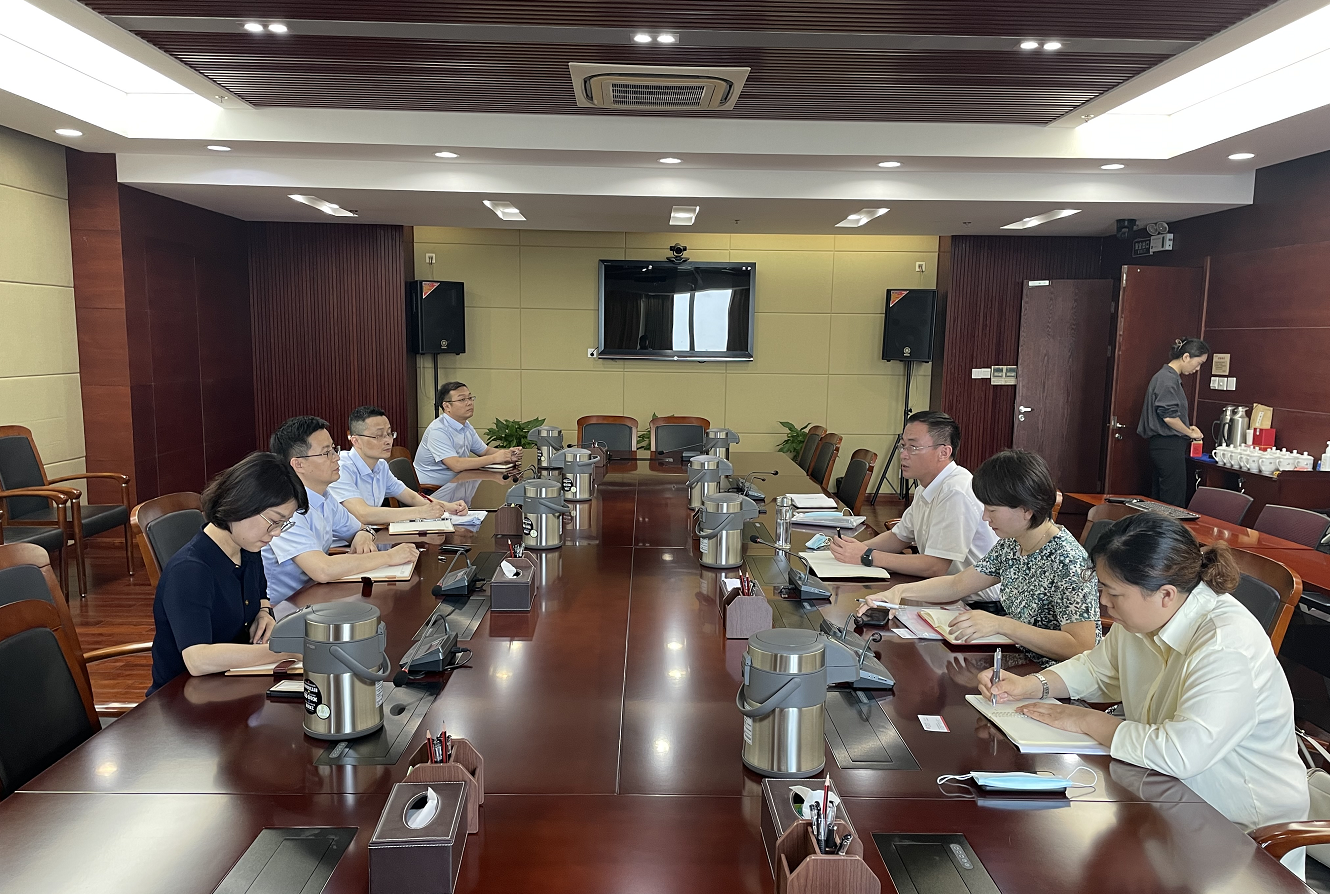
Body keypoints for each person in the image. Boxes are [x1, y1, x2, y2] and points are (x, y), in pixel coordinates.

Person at [979, 513, 1309, 877]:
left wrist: (1086, 720)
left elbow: (1181, 753)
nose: (1103, 602)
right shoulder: (1144, 614)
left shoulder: (1225, 643)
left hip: (1239, 831)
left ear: (1165, 594)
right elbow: (1099, 669)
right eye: (1101, 587)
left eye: (1113, 592)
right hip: (1164, 796)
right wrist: (1032, 684)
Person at [862, 449, 1100, 665]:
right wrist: (899, 592)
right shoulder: (1012, 543)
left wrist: (1002, 624)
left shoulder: (1068, 560)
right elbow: (958, 584)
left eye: (992, 510)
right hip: (1016, 658)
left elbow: (1080, 645)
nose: (985, 517)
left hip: (1055, 675)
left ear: (1027, 510)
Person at [148, 452, 307, 695]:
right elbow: (198, 659)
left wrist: (264, 612)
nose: (276, 533)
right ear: (242, 504)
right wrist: (283, 651)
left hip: (233, 685)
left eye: (283, 524)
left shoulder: (247, 548)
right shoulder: (190, 570)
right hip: (184, 699)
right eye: (274, 521)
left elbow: (261, 593)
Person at [827, 411, 999, 603]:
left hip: (976, 604)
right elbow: (898, 537)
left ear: (944, 452)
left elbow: (935, 566)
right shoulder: (926, 487)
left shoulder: (955, 491)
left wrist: (867, 555)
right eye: (903, 446)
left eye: (914, 447)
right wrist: (852, 549)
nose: (903, 455)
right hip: (943, 592)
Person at [263, 416, 419, 603]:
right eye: (326, 453)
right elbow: (322, 569)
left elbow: (361, 528)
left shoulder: (325, 497)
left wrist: (363, 535)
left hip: (317, 595)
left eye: (333, 449)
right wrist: (389, 556)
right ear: (298, 464)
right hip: (283, 608)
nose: (336, 457)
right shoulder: (284, 509)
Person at [330, 405, 467, 525]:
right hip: (344, 543)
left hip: (369, 535)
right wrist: (420, 512)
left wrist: (448, 507)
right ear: (356, 441)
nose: (388, 440)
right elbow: (363, 514)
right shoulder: (340, 468)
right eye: (378, 436)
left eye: (389, 433)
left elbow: (411, 497)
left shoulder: (381, 466)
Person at [1138, 336, 1209, 506]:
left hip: (1165, 445)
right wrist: (1189, 432)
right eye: (1198, 363)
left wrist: (1187, 427)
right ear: (1186, 357)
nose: (1198, 368)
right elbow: (1169, 417)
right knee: (1172, 499)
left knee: (1160, 497)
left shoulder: (1168, 377)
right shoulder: (1167, 379)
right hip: (1168, 445)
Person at [415, 382, 524, 487]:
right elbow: (456, 465)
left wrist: (508, 454)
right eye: (462, 399)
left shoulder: (465, 426)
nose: (469, 403)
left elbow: (485, 451)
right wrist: (495, 458)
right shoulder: (438, 430)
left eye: (470, 398)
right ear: (447, 406)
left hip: (457, 482)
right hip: (434, 489)